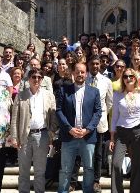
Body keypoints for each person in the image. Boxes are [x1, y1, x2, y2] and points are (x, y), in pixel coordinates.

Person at [55, 63, 102, 193]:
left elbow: (98, 113)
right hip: (69, 136)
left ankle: (88, 190)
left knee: (89, 168)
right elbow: (59, 111)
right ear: (73, 73)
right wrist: (69, 128)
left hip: (87, 137)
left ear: (86, 74)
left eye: (82, 72)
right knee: (65, 169)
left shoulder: (94, 92)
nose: (80, 74)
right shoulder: (64, 90)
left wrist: (87, 130)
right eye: (77, 72)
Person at [11, 68, 58, 193]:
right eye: (33, 77)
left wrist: (51, 134)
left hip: (42, 135)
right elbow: (15, 117)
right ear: (28, 79)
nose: (36, 79)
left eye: (39, 77)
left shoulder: (48, 95)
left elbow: (53, 116)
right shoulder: (21, 95)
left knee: (40, 172)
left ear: (42, 80)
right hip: (24, 136)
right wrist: (14, 137)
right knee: (23, 171)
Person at [110, 68, 140, 193]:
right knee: (116, 164)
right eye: (125, 76)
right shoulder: (117, 94)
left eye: (131, 76)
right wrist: (112, 137)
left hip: (138, 131)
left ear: (135, 78)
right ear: (122, 79)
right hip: (121, 132)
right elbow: (114, 117)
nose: (128, 78)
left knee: (137, 165)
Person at [86, 55, 114, 192]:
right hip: (83, 123)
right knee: (82, 152)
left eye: (97, 64)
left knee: (97, 153)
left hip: (99, 122)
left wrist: (101, 114)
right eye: (93, 64)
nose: (95, 66)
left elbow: (109, 102)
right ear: (88, 64)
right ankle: (77, 180)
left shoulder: (106, 81)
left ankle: (96, 181)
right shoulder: (82, 78)